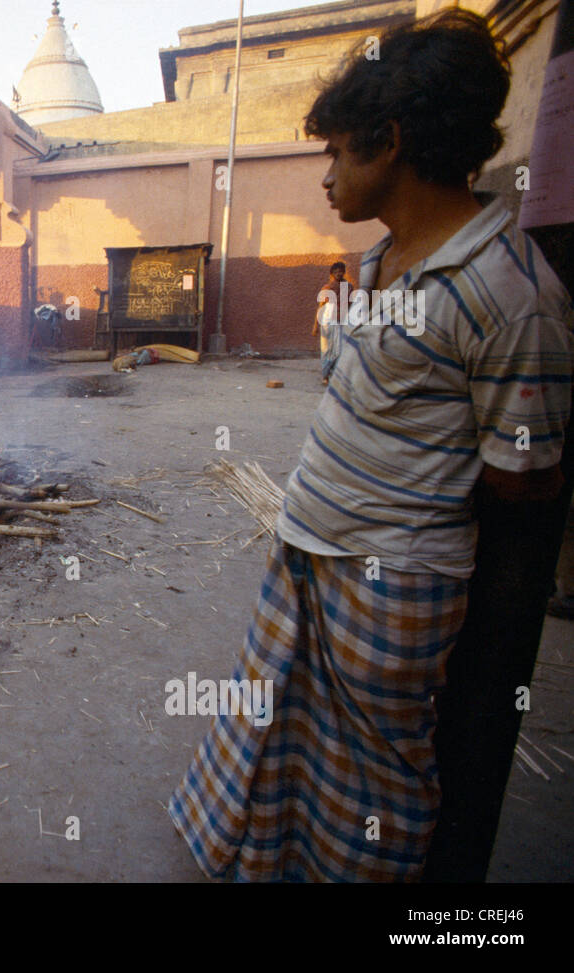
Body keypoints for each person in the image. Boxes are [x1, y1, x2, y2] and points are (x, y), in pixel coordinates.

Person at [168, 9, 572, 882]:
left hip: (390, 586)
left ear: (390, 143)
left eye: (338, 152)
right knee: (283, 734)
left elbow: (522, 476)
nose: (325, 177)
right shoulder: (384, 262)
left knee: (373, 783)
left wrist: (398, 511)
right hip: (308, 552)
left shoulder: (509, 293)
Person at [313, 261, 348, 383]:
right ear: (332, 274)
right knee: (326, 349)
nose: (339, 274)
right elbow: (321, 307)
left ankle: (335, 374)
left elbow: (351, 305)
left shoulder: (349, 287)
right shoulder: (327, 288)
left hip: (342, 321)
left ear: (344, 272)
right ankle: (325, 376)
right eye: (336, 272)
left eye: (341, 271)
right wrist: (315, 325)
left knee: (339, 350)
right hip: (327, 321)